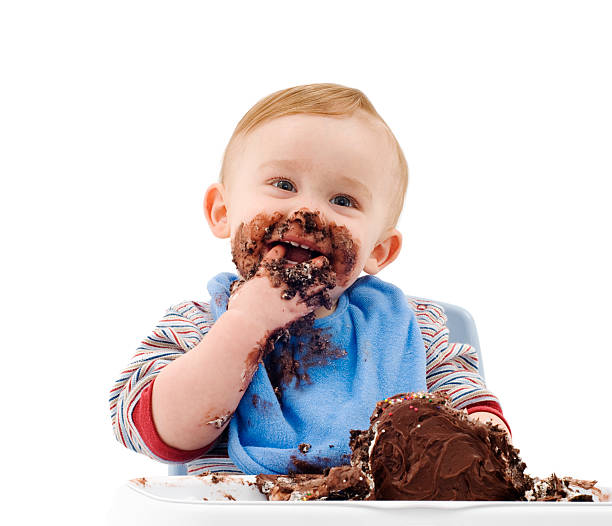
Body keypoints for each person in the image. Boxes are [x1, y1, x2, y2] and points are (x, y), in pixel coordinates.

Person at [109, 83, 511, 476]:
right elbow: (149, 430)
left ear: (378, 251)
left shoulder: (414, 330)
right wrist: (244, 326)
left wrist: (486, 445)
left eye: (343, 200)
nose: (308, 210)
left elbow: (474, 416)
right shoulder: (196, 325)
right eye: (283, 185)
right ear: (222, 211)